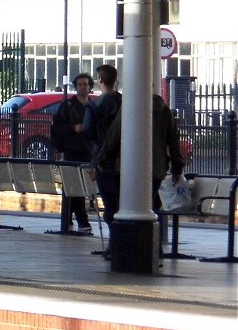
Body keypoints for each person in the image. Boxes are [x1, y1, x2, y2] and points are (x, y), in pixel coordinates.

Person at [94, 92, 186, 252]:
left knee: (126, 207)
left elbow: (113, 135)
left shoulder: (130, 107)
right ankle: (154, 250)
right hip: (156, 168)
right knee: (149, 206)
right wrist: (177, 168)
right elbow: (174, 140)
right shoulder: (164, 111)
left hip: (130, 166)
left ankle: (120, 248)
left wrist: (102, 158)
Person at [50, 73, 95, 233]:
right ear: (76, 87)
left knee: (77, 188)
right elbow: (56, 128)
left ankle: (67, 218)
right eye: (80, 84)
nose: (83, 87)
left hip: (88, 152)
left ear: (90, 86)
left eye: (86, 84)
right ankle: (82, 221)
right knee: (75, 186)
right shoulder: (67, 106)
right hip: (71, 152)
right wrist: (72, 128)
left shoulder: (93, 106)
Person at [91, 64, 122, 240]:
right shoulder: (123, 102)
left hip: (105, 161)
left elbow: (93, 134)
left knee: (110, 203)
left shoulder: (98, 105)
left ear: (100, 80)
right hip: (123, 160)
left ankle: (114, 241)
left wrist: (95, 162)